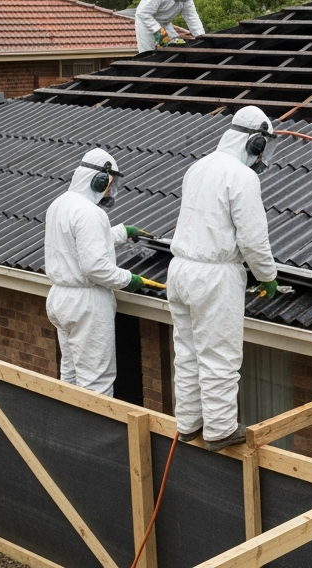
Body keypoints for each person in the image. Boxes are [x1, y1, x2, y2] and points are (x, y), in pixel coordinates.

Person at [167, 106, 280, 452]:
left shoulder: (197, 166)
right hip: (214, 275)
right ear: (255, 142)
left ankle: (188, 424)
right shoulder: (243, 177)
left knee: (186, 352)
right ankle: (219, 430)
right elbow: (252, 239)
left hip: (180, 269)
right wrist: (267, 276)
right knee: (220, 355)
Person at [43, 149, 151, 395]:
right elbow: (96, 268)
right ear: (100, 179)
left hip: (60, 298)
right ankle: (98, 433)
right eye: (109, 183)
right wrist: (130, 280)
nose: (109, 190)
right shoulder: (91, 213)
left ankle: (71, 428)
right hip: (86, 305)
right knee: (96, 382)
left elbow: (79, 244)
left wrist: (123, 232)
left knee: (70, 373)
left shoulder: (60, 203)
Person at [135, 0, 205, 52]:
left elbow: (192, 17)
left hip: (165, 23)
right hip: (146, 23)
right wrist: (156, 29)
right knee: (147, 53)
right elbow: (143, 13)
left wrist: (201, 38)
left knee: (175, 45)